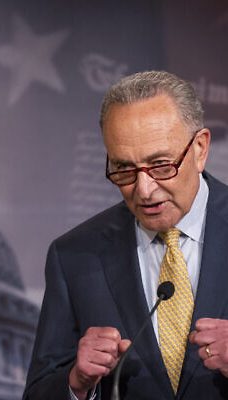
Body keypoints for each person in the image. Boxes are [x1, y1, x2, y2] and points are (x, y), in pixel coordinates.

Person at [22, 71, 228, 400]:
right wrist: (76, 382)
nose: (144, 190)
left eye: (161, 165)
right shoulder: (74, 256)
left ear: (201, 148)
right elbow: (38, 394)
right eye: (124, 169)